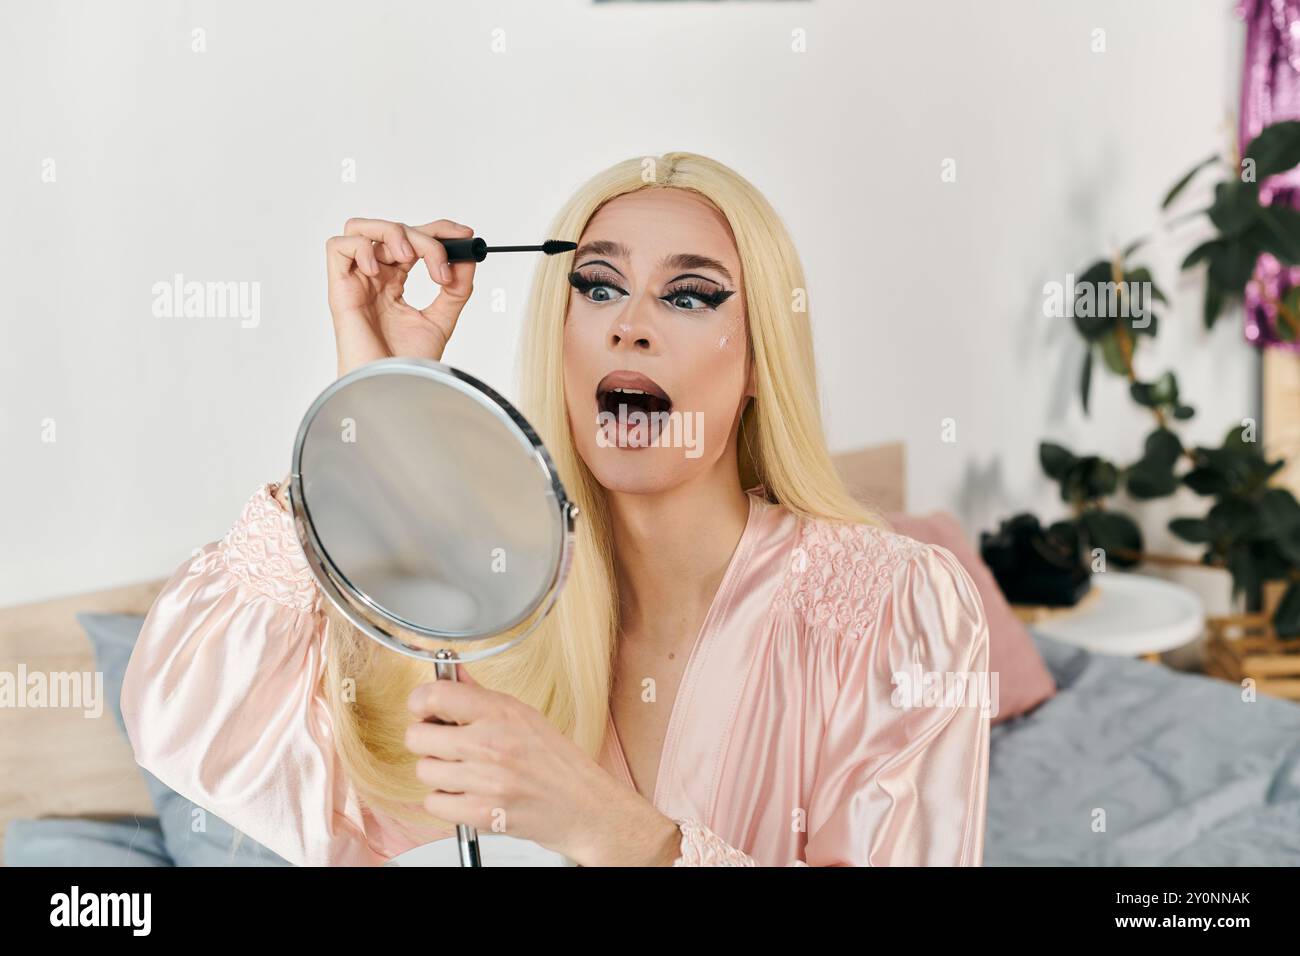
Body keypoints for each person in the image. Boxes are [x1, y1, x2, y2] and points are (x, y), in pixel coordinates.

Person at [121, 151, 991, 866]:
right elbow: (188, 725)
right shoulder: (475, 596)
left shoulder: (893, 607)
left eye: (689, 296)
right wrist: (372, 417)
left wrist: (608, 828)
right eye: (599, 287)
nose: (630, 326)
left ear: (762, 360)